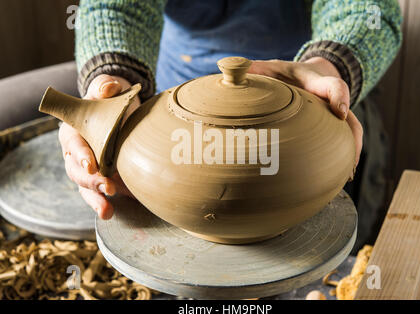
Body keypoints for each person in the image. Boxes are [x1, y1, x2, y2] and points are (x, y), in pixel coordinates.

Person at [61, 0, 402, 247]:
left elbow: (369, 10)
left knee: (338, 274)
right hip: (170, 104)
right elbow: (116, 7)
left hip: (313, 90)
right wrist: (113, 85)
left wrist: (328, 67)